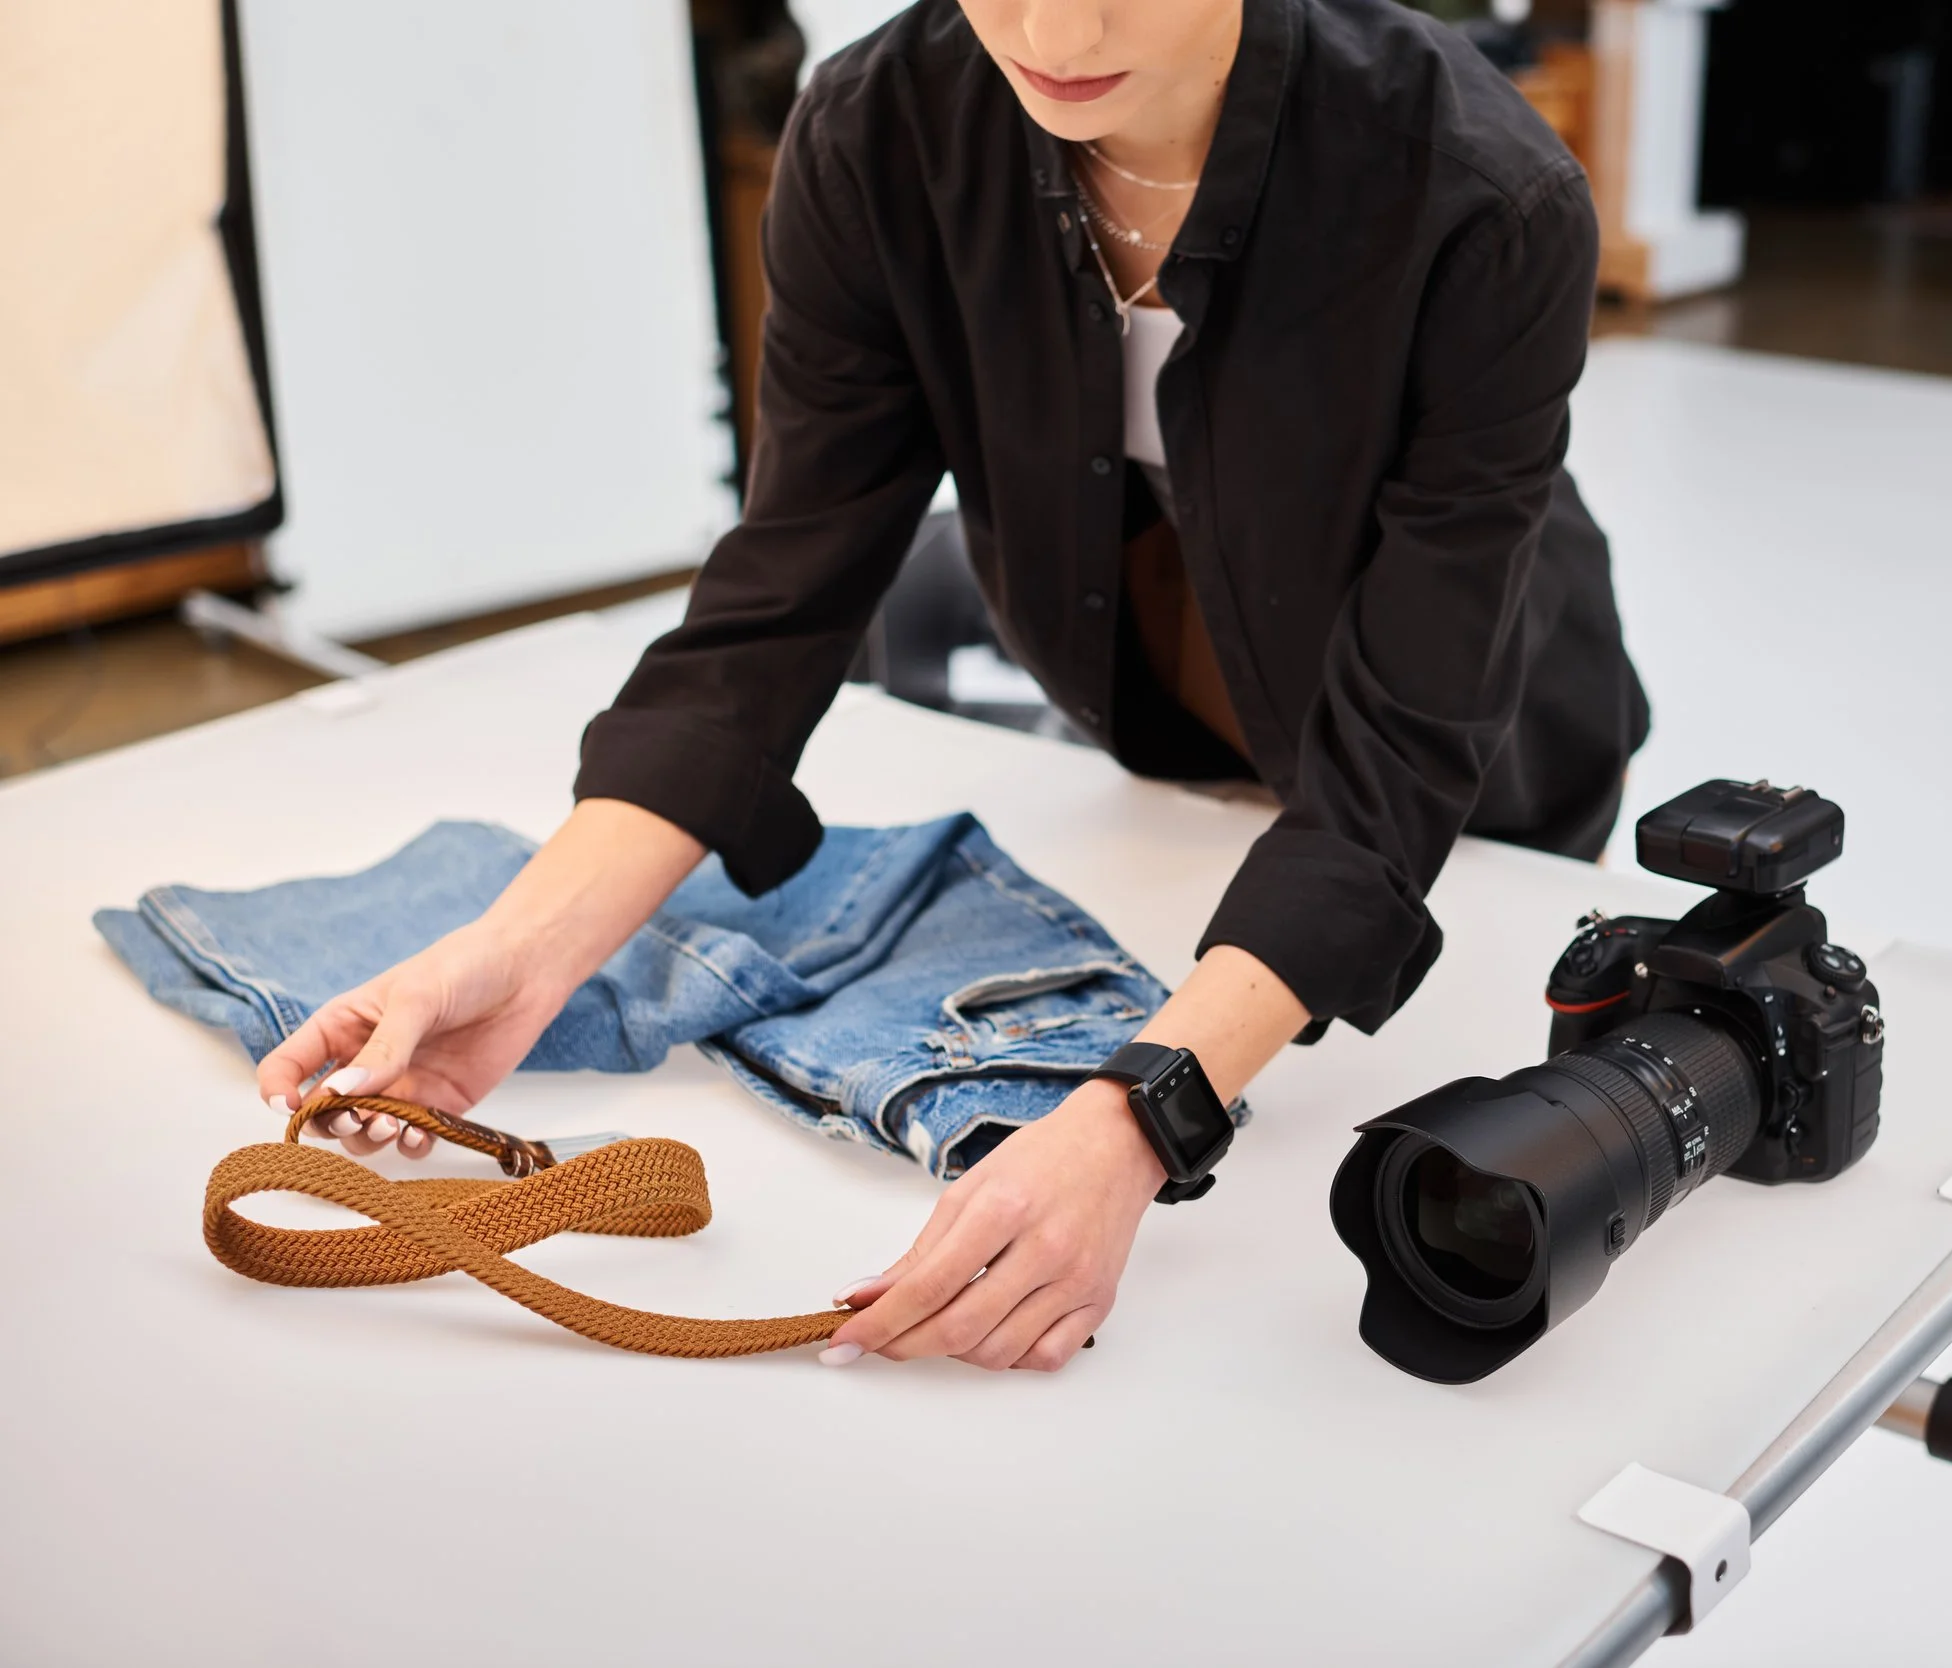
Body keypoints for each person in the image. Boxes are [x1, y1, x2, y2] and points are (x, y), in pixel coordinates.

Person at [256, 0, 1649, 1373]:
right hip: (1173, 741)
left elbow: (1393, 765)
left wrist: (1135, 1121)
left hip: (1475, 788)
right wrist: (530, 952)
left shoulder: (1475, 192)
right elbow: (775, 602)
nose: (1055, 27)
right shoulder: (884, 130)